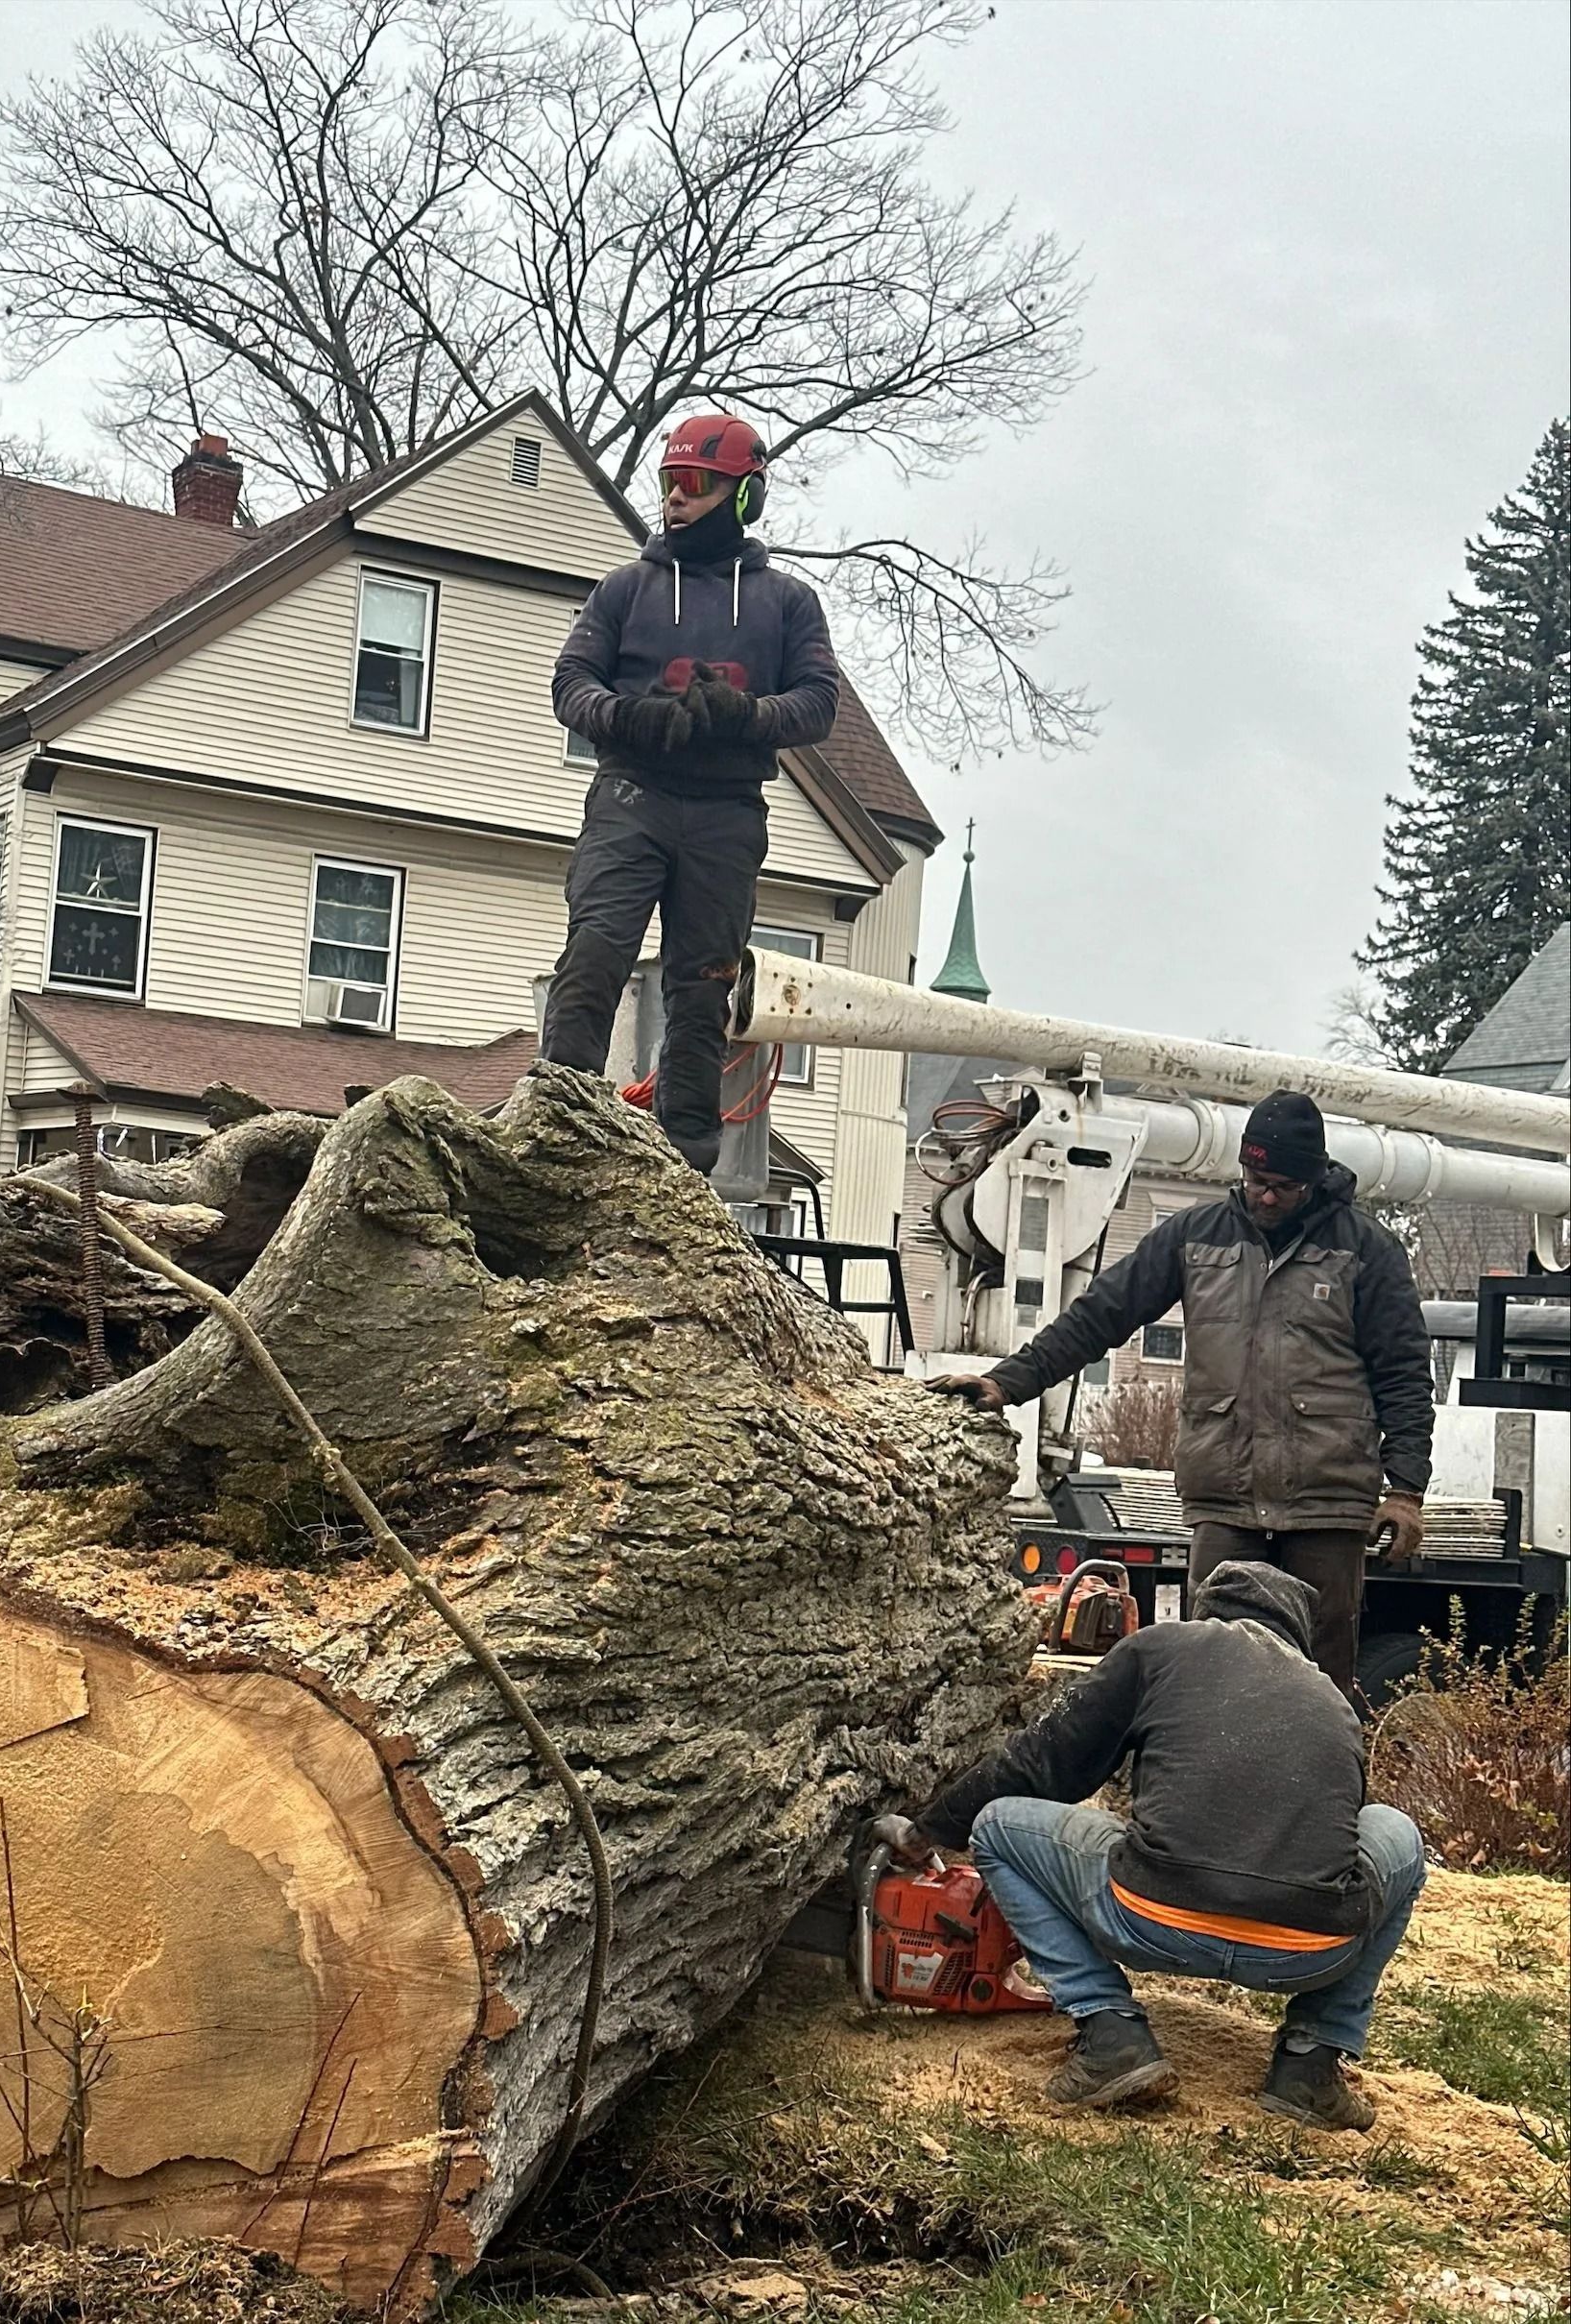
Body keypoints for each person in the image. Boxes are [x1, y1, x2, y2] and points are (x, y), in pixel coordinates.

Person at [875, 1561, 1427, 2128]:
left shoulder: (1162, 1649)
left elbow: (1043, 1762)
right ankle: (1312, 2059)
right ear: (1297, 1631)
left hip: (1150, 1920)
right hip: (1307, 1951)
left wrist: (928, 1831)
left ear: (1205, 1608)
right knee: (1400, 1834)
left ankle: (1109, 2028)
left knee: (996, 1825)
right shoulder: (1332, 1700)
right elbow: (1338, 1834)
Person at [931, 1089, 1434, 1696]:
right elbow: (1101, 1315)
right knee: (1210, 1676)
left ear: (1316, 1179)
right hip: (1225, 1497)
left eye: (1282, 1185)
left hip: (1327, 1502)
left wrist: (1405, 1489)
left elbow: (1404, 1374)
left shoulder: (1366, 1252)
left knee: (1319, 1685)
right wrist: (1007, 1381)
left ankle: (1317, 1790)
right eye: (1255, 1179)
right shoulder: (1196, 1237)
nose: (1266, 1195)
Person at [541, 414, 838, 1175]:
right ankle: (552, 1129)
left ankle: (686, 1165)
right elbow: (570, 685)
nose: (675, 499)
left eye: (695, 485)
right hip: (629, 799)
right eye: (669, 483)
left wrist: (749, 717)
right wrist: (626, 717)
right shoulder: (624, 589)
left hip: (726, 815)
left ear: (745, 497)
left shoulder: (787, 603)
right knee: (595, 954)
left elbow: (817, 702)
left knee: (702, 992)